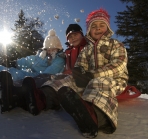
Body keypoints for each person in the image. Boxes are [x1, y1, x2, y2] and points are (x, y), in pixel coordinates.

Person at [23, 8, 129, 138]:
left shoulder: (116, 44)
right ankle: (42, 98)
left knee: (100, 83)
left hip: (114, 79)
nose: (98, 28)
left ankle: (94, 116)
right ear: (89, 30)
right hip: (89, 79)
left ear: (107, 28)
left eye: (102, 25)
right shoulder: (87, 49)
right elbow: (80, 64)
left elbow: (119, 64)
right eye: (94, 26)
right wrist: (79, 73)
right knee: (66, 80)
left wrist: (93, 74)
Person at [0, 29, 65, 108]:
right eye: (48, 48)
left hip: (39, 79)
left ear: (58, 48)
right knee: (8, 72)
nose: (50, 50)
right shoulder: (40, 56)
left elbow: (46, 75)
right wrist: (15, 63)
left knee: (11, 74)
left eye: (53, 48)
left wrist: (23, 73)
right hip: (30, 74)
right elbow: (28, 60)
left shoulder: (59, 61)